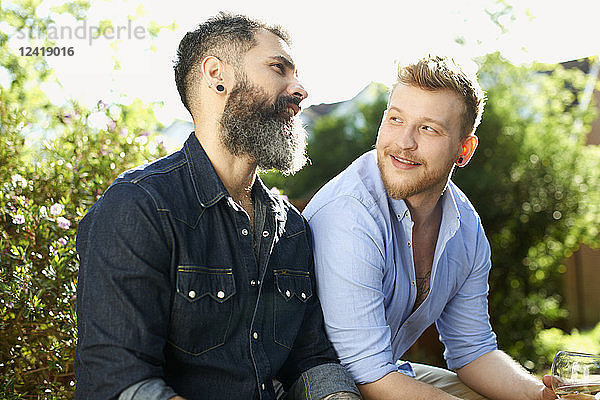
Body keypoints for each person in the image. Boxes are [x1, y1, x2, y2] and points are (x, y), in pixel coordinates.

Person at [74, 12, 360, 400]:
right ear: (216, 75)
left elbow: (309, 358)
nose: (300, 90)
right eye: (279, 68)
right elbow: (120, 381)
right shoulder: (140, 206)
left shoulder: (291, 226)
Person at [303, 55, 556, 400]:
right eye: (395, 119)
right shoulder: (349, 214)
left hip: (382, 372)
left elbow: (474, 349)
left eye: (427, 128)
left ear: (463, 150)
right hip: (319, 385)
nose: (403, 143)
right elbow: (366, 375)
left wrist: (542, 396)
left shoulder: (464, 226)